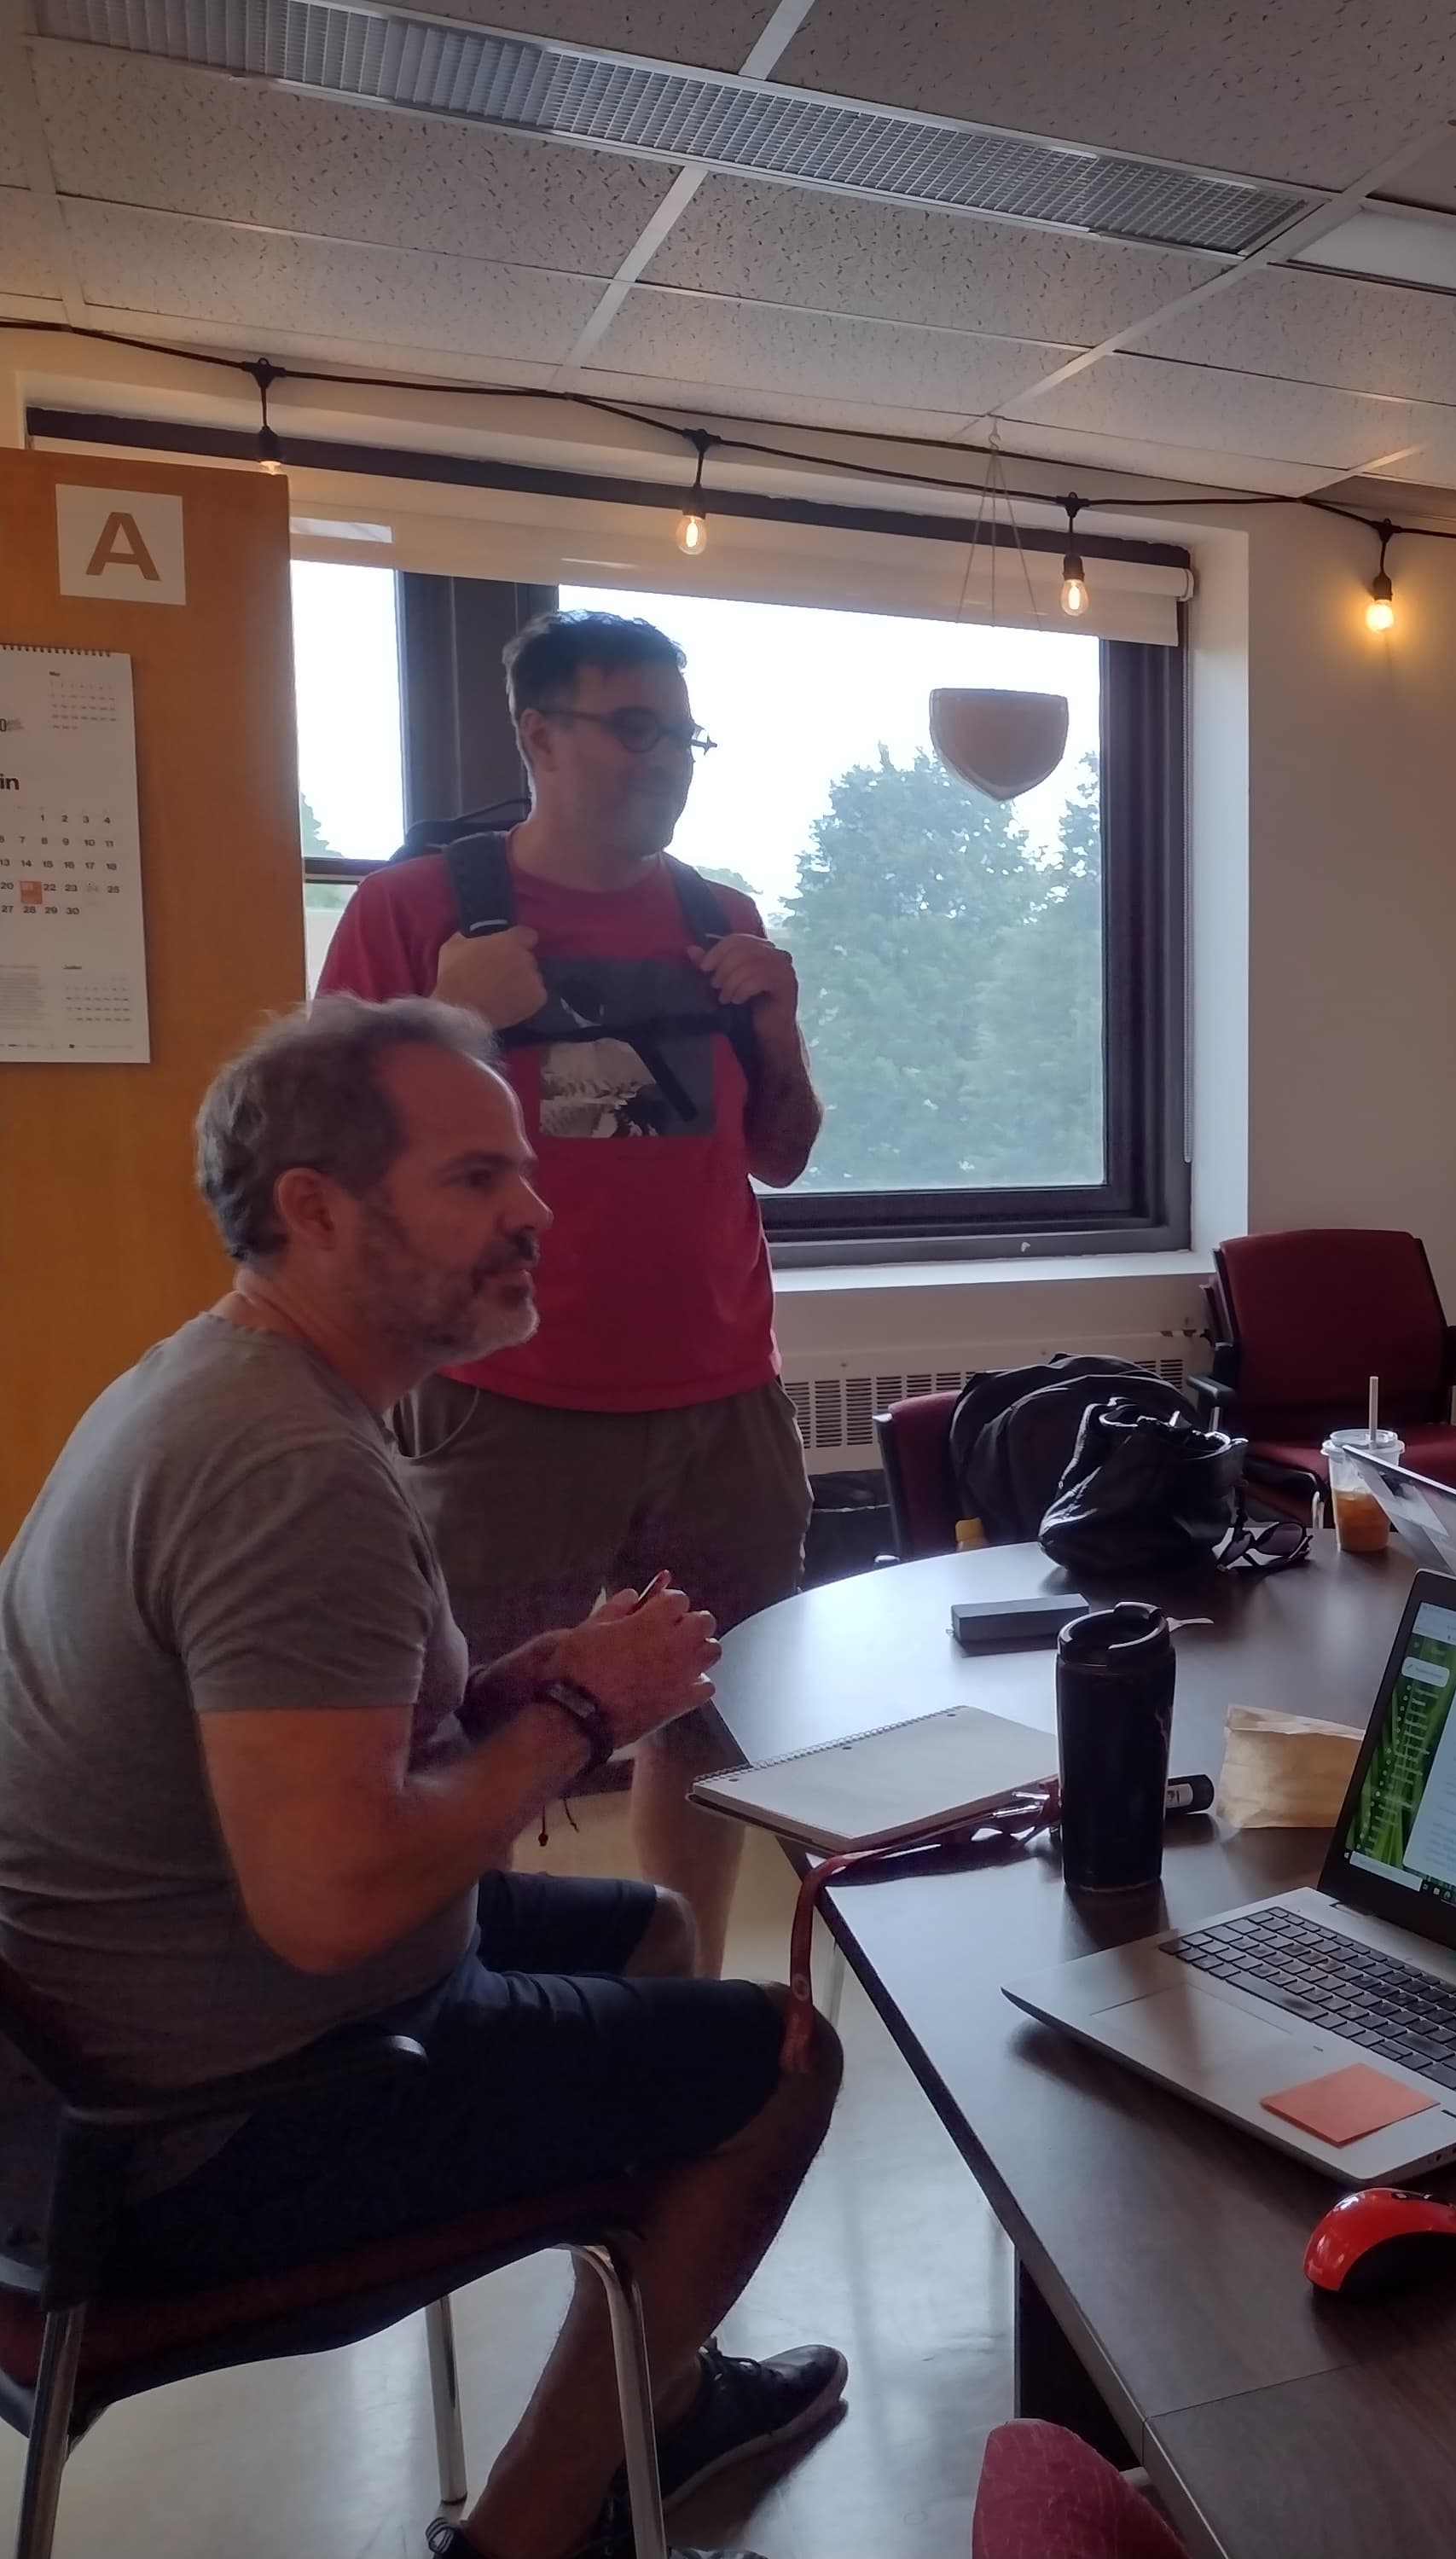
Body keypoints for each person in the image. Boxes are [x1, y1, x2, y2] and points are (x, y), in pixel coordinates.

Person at [0, 999, 846, 2559]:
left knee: (654, 1930)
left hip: (117, 2058)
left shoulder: (228, 1386)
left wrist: (502, 1693)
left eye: (521, 1167)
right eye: (475, 1179)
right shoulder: (288, 1475)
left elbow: (292, 1747)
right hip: (197, 2132)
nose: (536, 1210)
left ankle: (652, 2401)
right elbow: (330, 1902)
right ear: (314, 1209)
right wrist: (582, 1717)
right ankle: (525, 2536)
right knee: (788, 2062)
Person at [317, 609, 822, 1976]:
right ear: (538, 735)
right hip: (503, 1403)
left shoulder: (720, 917)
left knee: (715, 1715)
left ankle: (683, 1996)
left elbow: (780, 1153)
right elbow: (323, 1161)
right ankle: (469, 2008)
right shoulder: (413, 911)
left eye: (684, 736)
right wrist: (452, 1019)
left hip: (721, 1395)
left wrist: (776, 1027)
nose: (665, 760)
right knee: (469, 1725)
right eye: (633, 728)